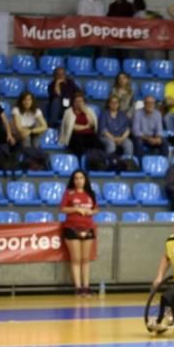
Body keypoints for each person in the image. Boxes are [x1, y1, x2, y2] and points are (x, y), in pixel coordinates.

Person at [58, 169, 98, 297]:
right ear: (73, 180)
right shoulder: (68, 193)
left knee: (85, 259)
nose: (79, 180)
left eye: (81, 178)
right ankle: (78, 287)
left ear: (85, 179)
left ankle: (86, 287)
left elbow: (96, 209)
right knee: (75, 259)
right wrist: (76, 209)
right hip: (72, 228)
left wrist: (91, 212)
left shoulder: (90, 193)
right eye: (76, 178)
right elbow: (62, 209)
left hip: (88, 227)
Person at [59, 94, 101, 159]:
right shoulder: (69, 112)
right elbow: (72, 127)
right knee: (79, 143)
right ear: (73, 102)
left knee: (98, 143)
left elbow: (92, 124)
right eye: (77, 101)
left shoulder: (89, 111)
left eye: (81, 101)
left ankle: (95, 161)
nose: (79, 103)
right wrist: (86, 127)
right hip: (74, 135)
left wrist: (85, 111)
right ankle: (80, 161)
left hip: (88, 134)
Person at [98, 96, 133, 160]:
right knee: (111, 143)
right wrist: (113, 139)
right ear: (109, 104)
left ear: (119, 104)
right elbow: (103, 130)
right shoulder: (104, 114)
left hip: (121, 137)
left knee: (129, 143)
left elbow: (127, 129)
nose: (114, 104)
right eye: (112, 102)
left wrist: (122, 138)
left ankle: (128, 163)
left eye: (116, 102)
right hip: (107, 137)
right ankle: (111, 163)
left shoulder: (123, 114)